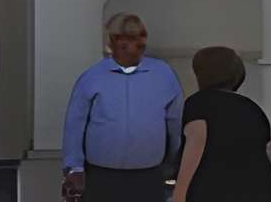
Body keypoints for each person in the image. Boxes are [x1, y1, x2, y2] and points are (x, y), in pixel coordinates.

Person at [63, 13, 185, 202]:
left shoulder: (163, 75)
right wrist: (74, 167)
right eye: (125, 38)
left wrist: (174, 163)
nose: (132, 44)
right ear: (112, 41)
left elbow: (175, 122)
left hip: (149, 176)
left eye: (137, 37)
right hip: (101, 177)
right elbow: (75, 125)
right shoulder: (92, 77)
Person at [168, 47, 271, 202]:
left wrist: (179, 195)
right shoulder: (254, 109)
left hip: (213, 192)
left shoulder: (199, 104)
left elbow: (195, 148)